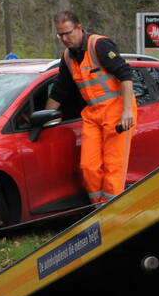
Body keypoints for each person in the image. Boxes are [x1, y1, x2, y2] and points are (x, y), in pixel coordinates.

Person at [46, 11, 137, 205]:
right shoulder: (68, 57)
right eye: (60, 35)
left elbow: (126, 76)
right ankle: (99, 208)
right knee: (88, 166)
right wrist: (43, 117)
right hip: (93, 114)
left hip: (117, 111)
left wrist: (127, 111)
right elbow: (59, 91)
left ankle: (113, 213)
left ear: (79, 28)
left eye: (68, 33)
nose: (64, 39)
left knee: (113, 166)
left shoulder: (99, 45)